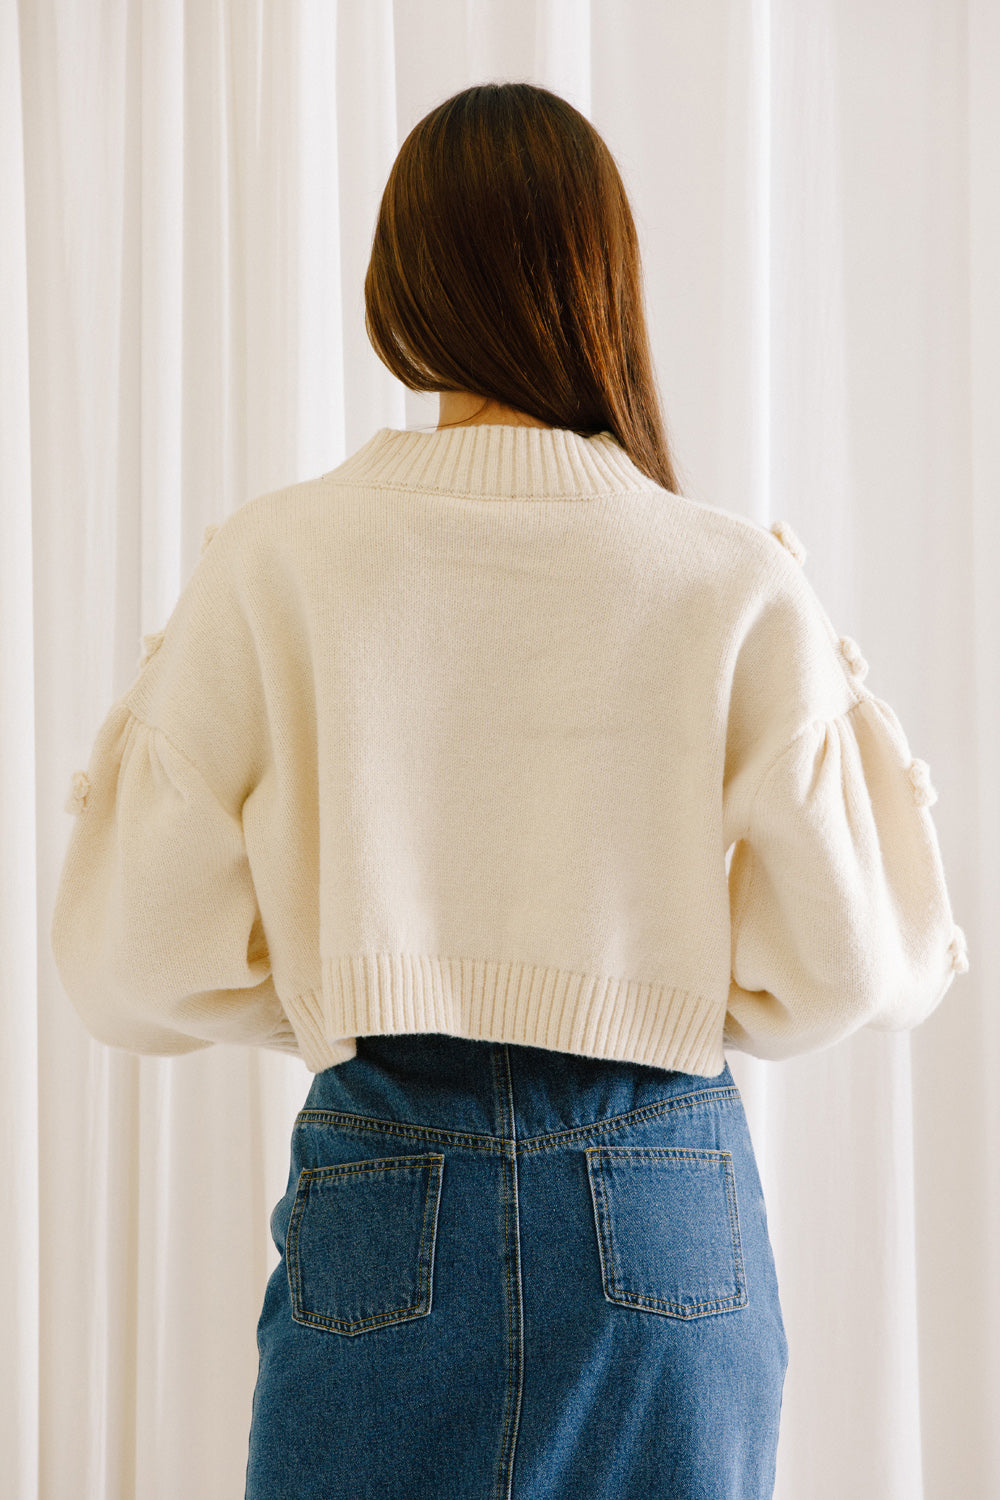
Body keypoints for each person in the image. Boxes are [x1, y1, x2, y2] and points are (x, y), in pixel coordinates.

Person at [50, 82, 968, 1500]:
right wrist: (659, 982)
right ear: (607, 282)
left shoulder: (281, 562)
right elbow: (855, 963)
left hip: (382, 1186)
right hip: (667, 1208)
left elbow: (126, 962)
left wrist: (338, 970)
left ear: (397, 291)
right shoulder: (726, 575)